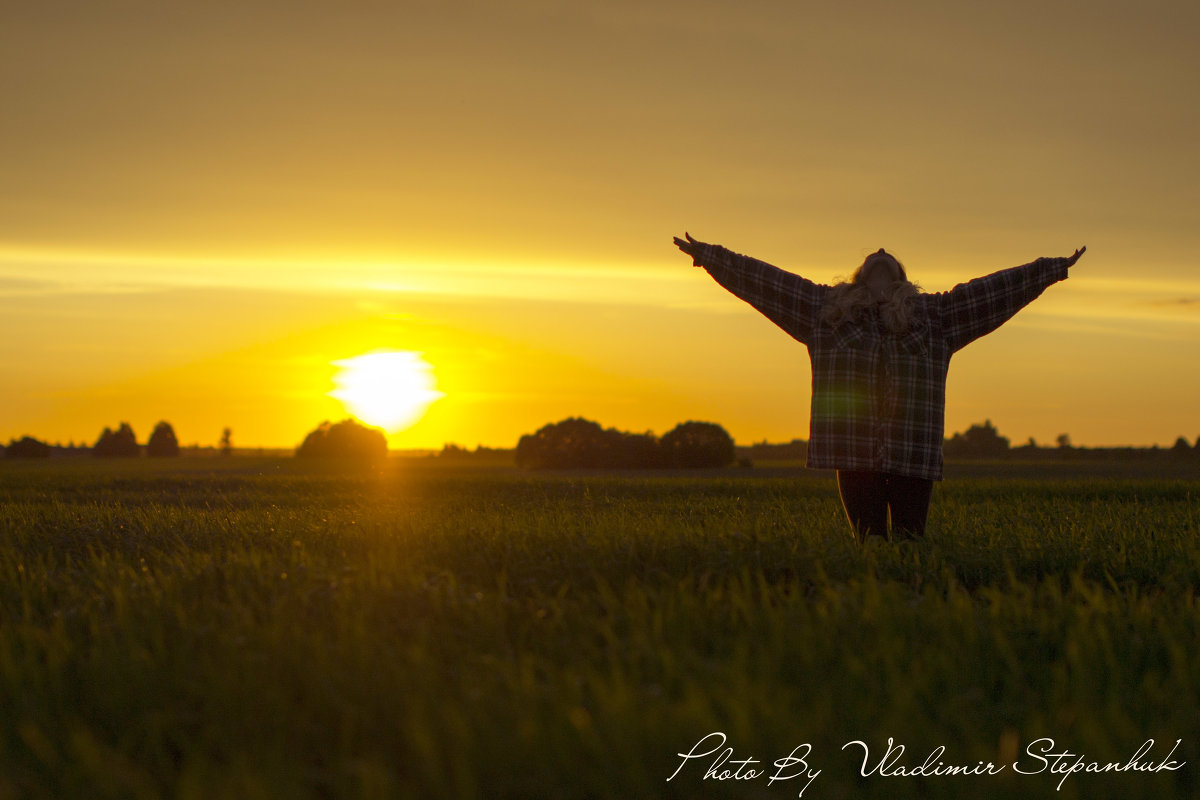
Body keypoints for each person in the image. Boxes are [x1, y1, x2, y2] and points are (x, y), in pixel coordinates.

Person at [673, 234, 1086, 543]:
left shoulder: (934, 315)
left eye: (888, 258)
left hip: (913, 450)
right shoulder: (826, 312)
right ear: (859, 277)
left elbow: (994, 292)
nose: (882, 251)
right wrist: (711, 256)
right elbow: (766, 281)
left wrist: (1050, 268)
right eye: (873, 257)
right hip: (851, 450)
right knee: (868, 543)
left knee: (909, 542)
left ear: (903, 279)